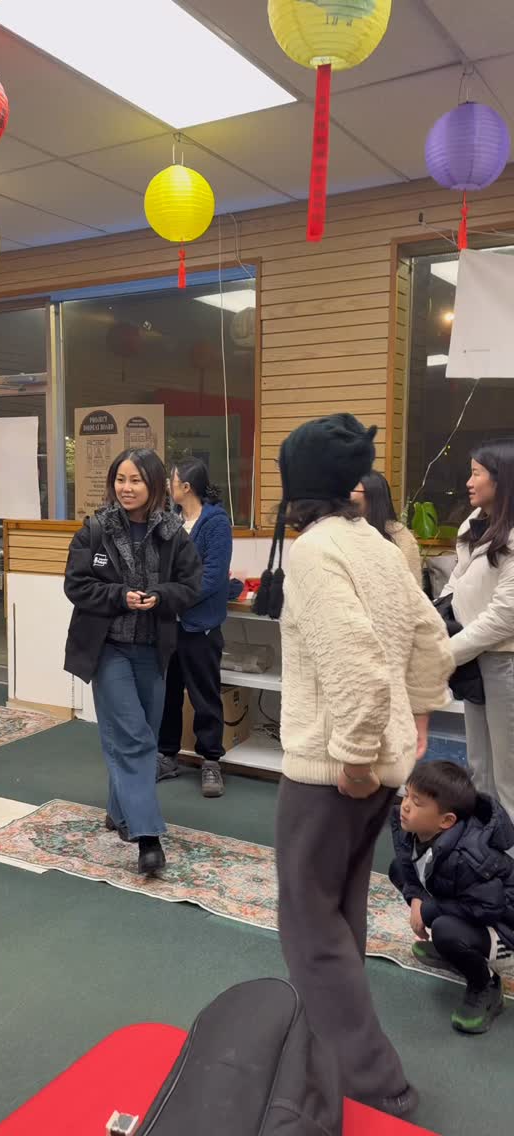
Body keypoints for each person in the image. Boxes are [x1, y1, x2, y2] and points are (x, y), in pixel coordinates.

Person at [272, 413, 453, 1121]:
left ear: (296, 486)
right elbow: (431, 640)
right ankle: (327, 1058)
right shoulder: (377, 546)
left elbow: (355, 660)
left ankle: (373, 1083)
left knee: (310, 931)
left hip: (331, 773)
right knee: (339, 915)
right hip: (378, 763)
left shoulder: (317, 553)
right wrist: (406, 726)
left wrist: (352, 758)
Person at [64, 448, 201, 877]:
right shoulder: (95, 529)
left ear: (154, 485)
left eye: (135, 480)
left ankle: (118, 811)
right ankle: (147, 838)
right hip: (107, 649)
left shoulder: (173, 532)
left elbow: (190, 585)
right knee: (136, 740)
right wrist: (118, 597)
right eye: (120, 479)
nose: (126, 488)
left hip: (153, 649)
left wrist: (160, 596)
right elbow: (76, 584)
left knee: (136, 731)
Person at [390, 760, 514, 1035]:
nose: (406, 805)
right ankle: (458, 950)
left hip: (505, 930)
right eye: (407, 794)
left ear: (446, 821)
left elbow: (489, 907)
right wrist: (418, 901)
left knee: (445, 929)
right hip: (477, 909)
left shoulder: (468, 858)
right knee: (398, 869)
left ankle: (486, 985)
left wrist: (430, 910)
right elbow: (408, 869)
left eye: (417, 802)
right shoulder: (413, 830)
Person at [440, 440, 514, 821]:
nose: (468, 482)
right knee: (480, 767)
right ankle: (484, 852)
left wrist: (448, 651)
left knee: (508, 774)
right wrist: (441, 616)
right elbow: (458, 578)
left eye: (476, 473)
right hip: (473, 658)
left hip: (504, 661)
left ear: (501, 480)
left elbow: (505, 614)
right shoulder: (474, 522)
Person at [157, 459, 233, 798]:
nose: (170, 485)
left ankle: (212, 762)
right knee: (167, 694)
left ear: (186, 486)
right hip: (167, 626)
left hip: (199, 625)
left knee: (204, 695)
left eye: (173, 480)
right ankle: (167, 755)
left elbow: (213, 577)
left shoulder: (216, 522)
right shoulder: (170, 521)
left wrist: (173, 597)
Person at [351, 471, 422, 585]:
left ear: (372, 495)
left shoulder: (400, 536)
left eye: (351, 489)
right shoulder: (339, 529)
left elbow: (412, 587)